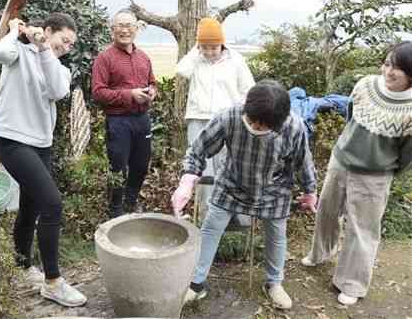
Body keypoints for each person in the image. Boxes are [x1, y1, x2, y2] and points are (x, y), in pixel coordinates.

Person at [171, 80, 318, 309]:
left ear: (278, 122)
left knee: (277, 235)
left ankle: (274, 283)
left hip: (274, 189)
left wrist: (310, 191)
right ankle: (196, 283)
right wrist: (188, 179)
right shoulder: (229, 117)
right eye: (252, 122)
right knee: (210, 228)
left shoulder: (294, 127)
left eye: (263, 126)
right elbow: (198, 149)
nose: (256, 128)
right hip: (232, 184)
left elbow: (303, 162)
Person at [301, 41, 412, 306]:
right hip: (341, 161)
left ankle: (352, 283)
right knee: (326, 211)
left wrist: (385, 168)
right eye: (387, 63)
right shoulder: (365, 85)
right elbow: (352, 114)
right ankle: (321, 253)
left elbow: (408, 153)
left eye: (397, 68)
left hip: (375, 175)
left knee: (362, 229)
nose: (389, 71)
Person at [0, 13, 86, 307]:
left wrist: (46, 48)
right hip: (11, 139)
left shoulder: (58, 66)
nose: (67, 47)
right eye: (63, 39)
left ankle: (22, 266)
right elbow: (0, 53)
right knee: (52, 203)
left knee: (31, 205)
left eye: (71, 44)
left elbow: (57, 91)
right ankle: (53, 282)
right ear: (48, 30)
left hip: (40, 143)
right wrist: (13, 30)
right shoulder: (18, 50)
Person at [176, 17, 255, 222]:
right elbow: (181, 71)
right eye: (205, 47)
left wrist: (240, 113)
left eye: (214, 47)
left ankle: (231, 214)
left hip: (227, 120)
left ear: (222, 43)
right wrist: (196, 50)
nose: (210, 52)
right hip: (198, 118)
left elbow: (249, 90)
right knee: (200, 169)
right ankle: (205, 216)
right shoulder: (196, 59)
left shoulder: (235, 60)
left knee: (227, 165)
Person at [92, 9, 157, 218]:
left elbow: (152, 82)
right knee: (118, 166)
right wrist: (130, 95)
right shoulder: (105, 58)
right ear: (112, 30)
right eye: (120, 25)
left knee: (141, 166)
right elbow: (98, 92)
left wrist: (152, 91)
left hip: (142, 119)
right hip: (118, 121)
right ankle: (115, 210)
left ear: (136, 29)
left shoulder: (144, 57)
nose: (125, 30)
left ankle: (130, 203)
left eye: (129, 25)